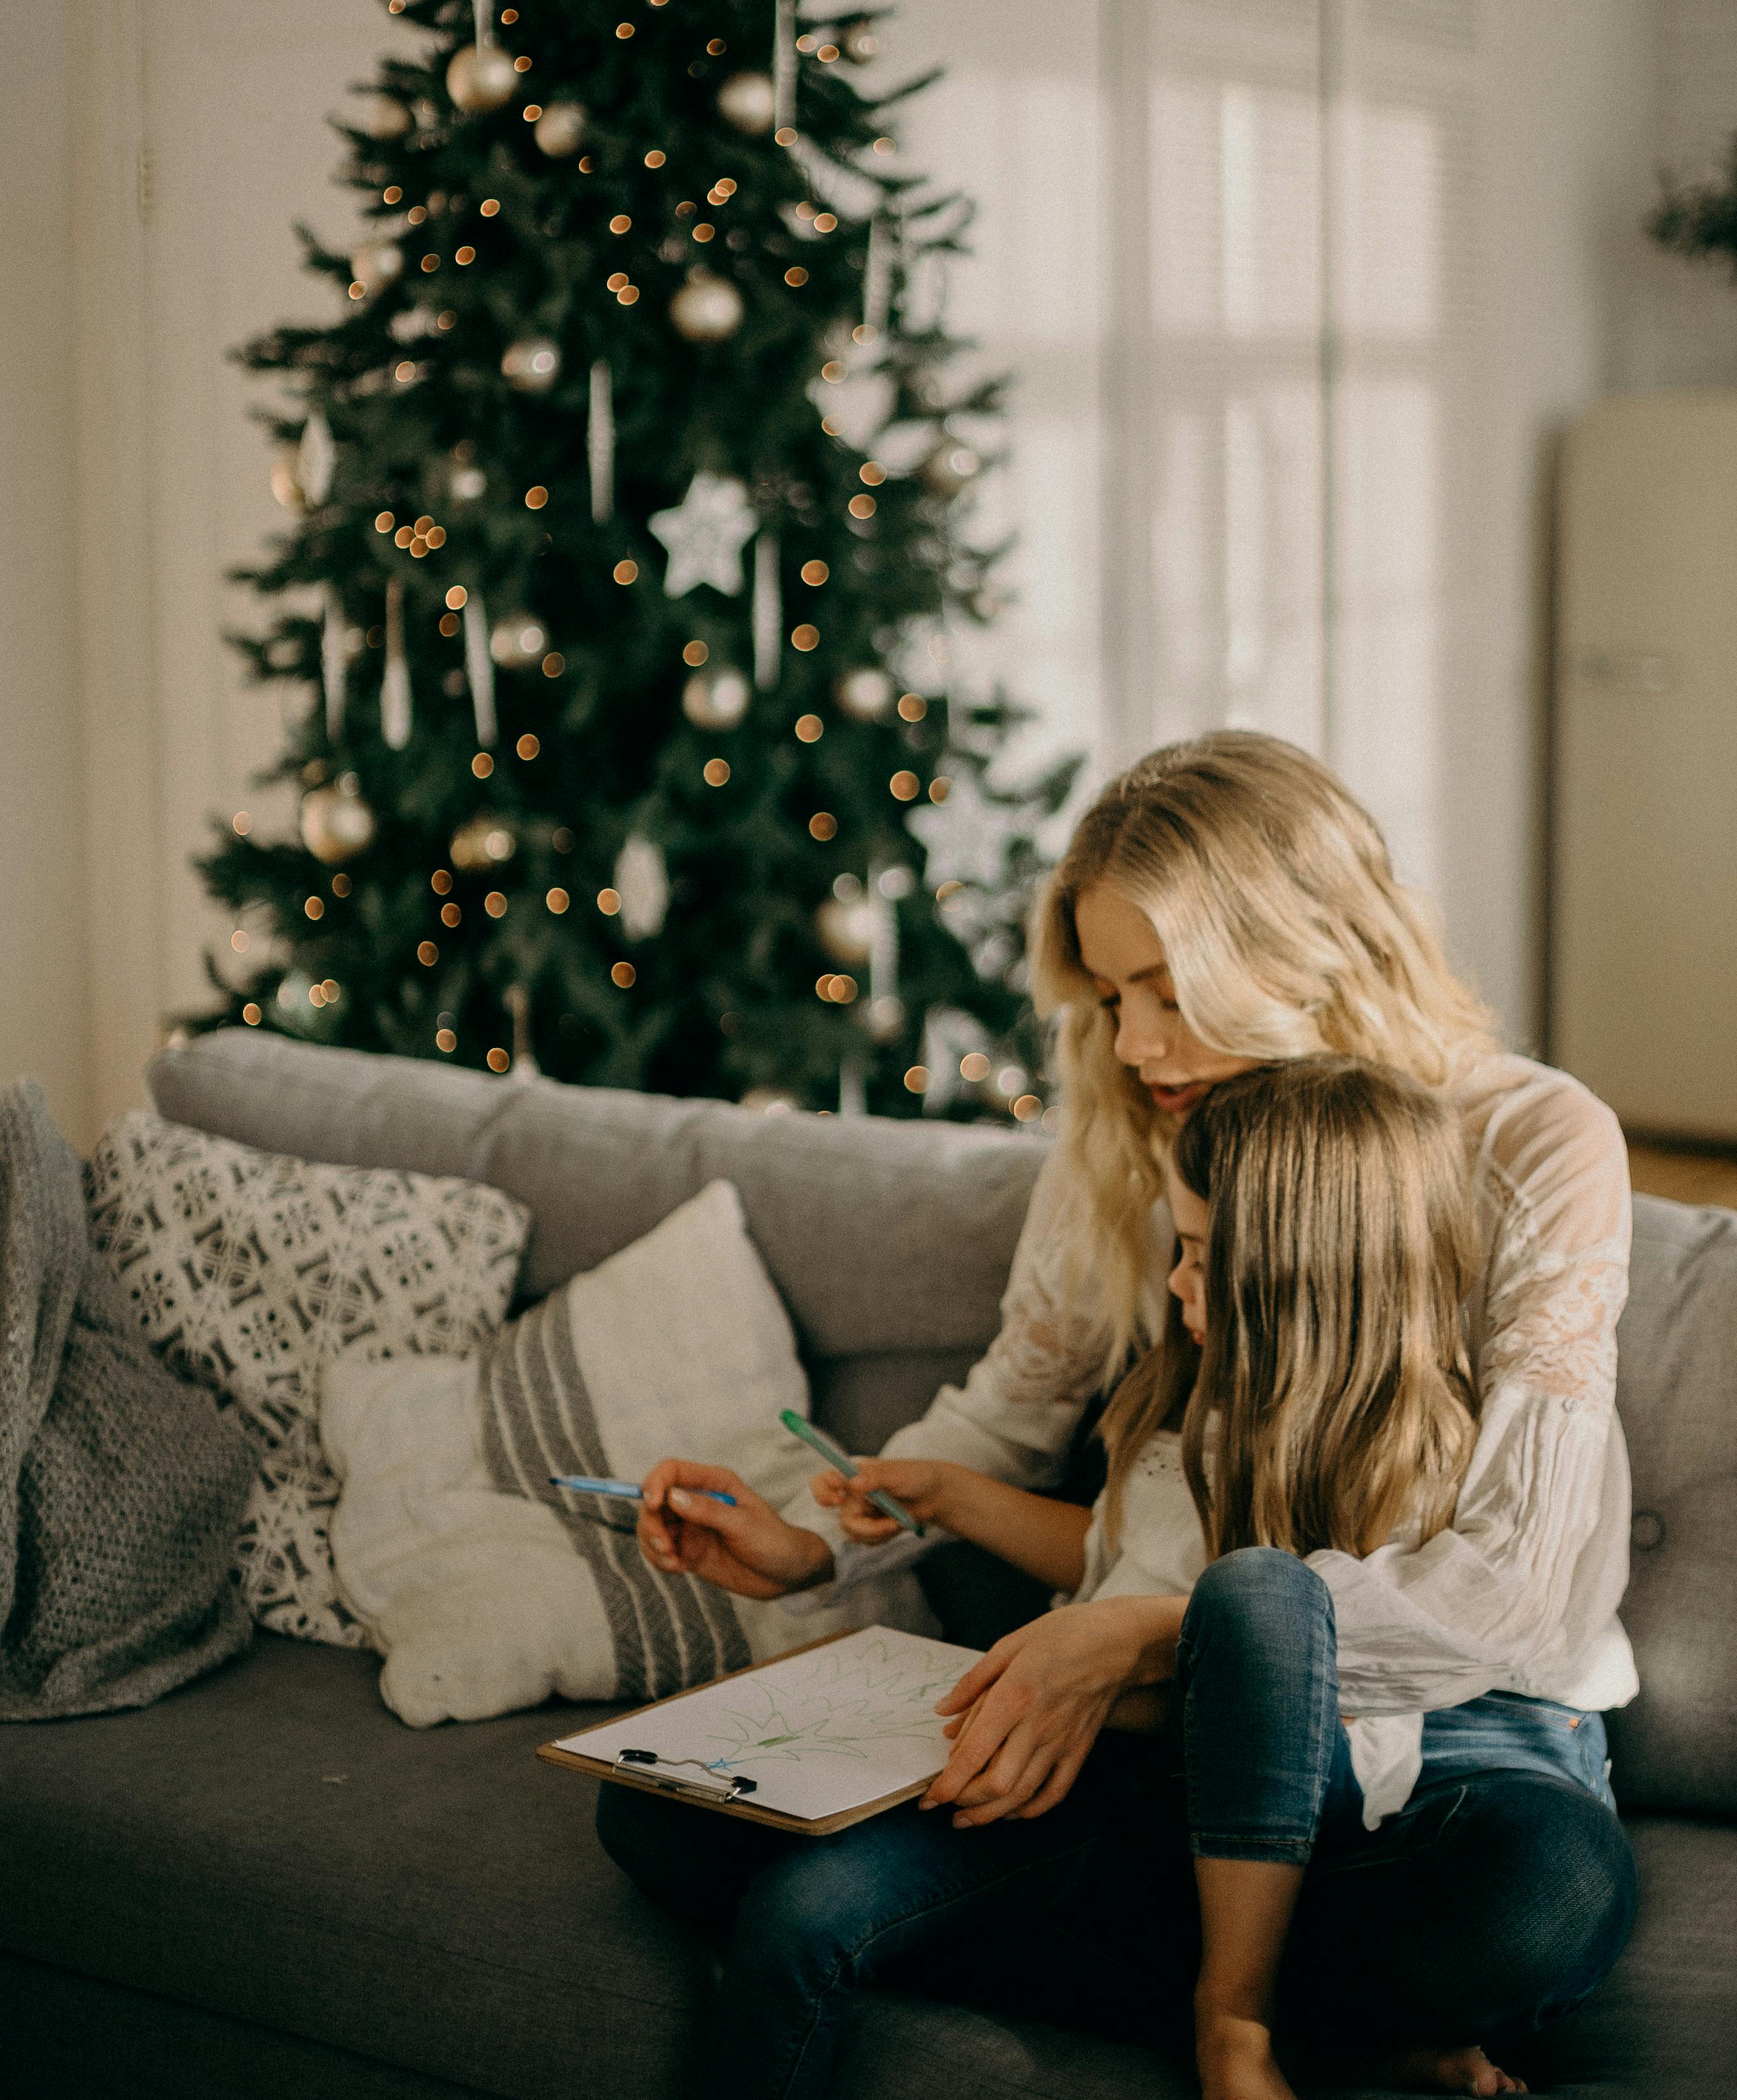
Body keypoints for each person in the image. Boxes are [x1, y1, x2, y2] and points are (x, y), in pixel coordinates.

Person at [602, 734, 1640, 2094]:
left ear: (1309, 943)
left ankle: (1236, 1976)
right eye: (1107, 998)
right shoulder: (1140, 1133)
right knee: (667, 1818)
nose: (1136, 1044)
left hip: (1461, 1734)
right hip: (1165, 1753)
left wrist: (1150, 1642)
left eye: (1167, 989)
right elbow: (1004, 1417)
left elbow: (1509, 1589)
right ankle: (1296, 1996)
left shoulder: (1532, 1143)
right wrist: (815, 1542)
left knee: (1535, 1902)